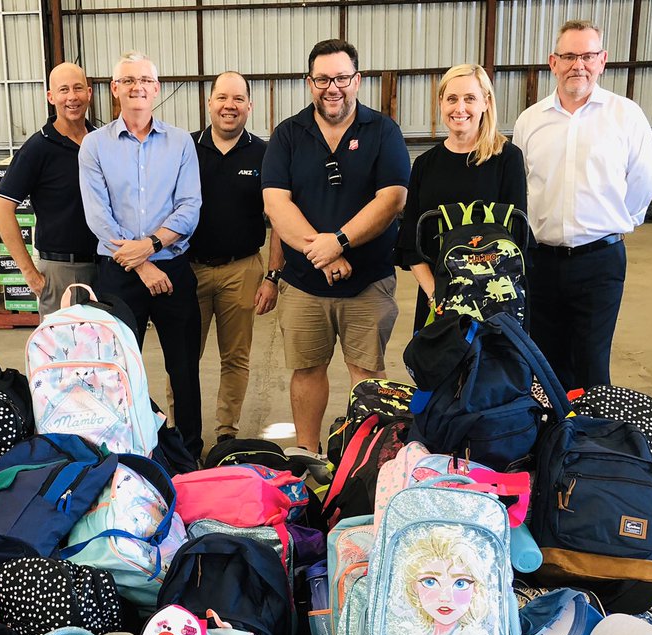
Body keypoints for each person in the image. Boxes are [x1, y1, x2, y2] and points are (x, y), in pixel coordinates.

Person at [262, 38, 410, 471]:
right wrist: (323, 252)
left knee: (365, 373)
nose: (333, 88)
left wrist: (339, 241)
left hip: (368, 280)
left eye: (341, 78)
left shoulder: (383, 131)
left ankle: (362, 462)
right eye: (323, 79)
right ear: (310, 83)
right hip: (305, 282)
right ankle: (307, 456)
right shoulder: (288, 134)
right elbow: (276, 204)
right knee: (307, 369)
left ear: (356, 80)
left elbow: (392, 199)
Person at [511, 19, 652, 391]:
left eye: (588, 55)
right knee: (545, 364)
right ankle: (553, 443)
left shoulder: (625, 116)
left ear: (603, 60)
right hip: (541, 261)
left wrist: (615, 221)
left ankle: (590, 443)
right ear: (553, 62)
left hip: (600, 262)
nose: (579, 65)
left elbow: (643, 183)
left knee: (593, 363)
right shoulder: (530, 121)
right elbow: (521, 187)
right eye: (570, 56)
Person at [80, 51, 204, 459]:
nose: (137, 87)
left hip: (173, 270)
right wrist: (142, 264)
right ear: (114, 89)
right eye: (128, 80)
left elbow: (189, 206)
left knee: (183, 369)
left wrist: (151, 248)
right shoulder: (94, 146)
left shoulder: (181, 142)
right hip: (119, 274)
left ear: (157, 88)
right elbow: (99, 217)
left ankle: (188, 452)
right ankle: (127, 451)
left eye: (145, 80)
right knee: (118, 371)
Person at [189, 71, 286, 444]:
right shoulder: (186, 149)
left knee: (235, 358)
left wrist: (272, 276)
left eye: (238, 99)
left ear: (249, 105)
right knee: (185, 359)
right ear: (209, 103)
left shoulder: (265, 154)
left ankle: (226, 433)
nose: (230, 106)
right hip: (189, 269)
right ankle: (184, 433)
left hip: (242, 269)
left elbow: (279, 218)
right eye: (222, 98)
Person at [398, 63, 527, 334]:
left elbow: (517, 239)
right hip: (439, 300)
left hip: (496, 305)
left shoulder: (507, 159)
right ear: (441, 103)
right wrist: (437, 296)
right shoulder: (424, 165)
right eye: (452, 99)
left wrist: (483, 298)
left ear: (485, 102)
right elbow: (410, 242)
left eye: (470, 98)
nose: (460, 108)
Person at [0, 62, 99, 318]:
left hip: (106, 267)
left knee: (101, 353)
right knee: (65, 354)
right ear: (51, 97)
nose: (72, 97)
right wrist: (30, 273)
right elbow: (1, 207)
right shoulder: (38, 148)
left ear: (89, 93)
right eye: (63, 90)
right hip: (62, 270)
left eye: (77, 89)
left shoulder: (100, 142)